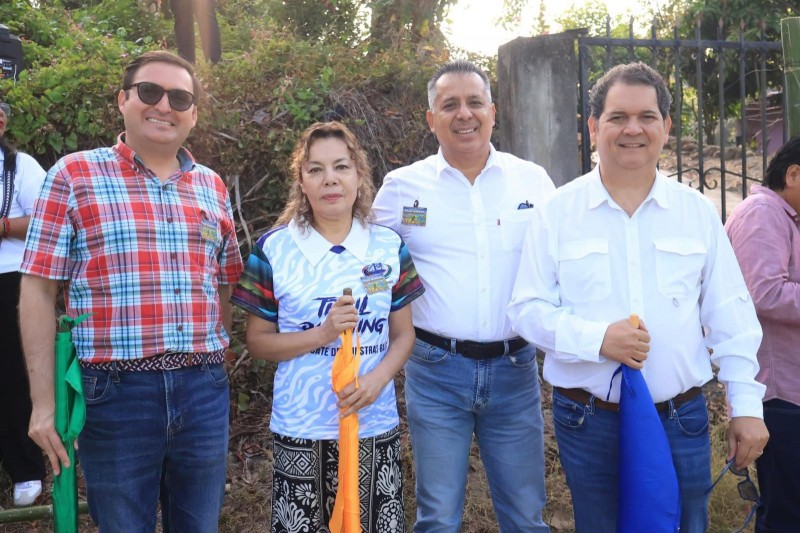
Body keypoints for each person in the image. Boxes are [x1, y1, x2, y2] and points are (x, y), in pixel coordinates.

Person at [507, 62, 769, 532]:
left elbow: (731, 314)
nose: (633, 129)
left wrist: (746, 404)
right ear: (594, 127)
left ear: (665, 127)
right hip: (589, 420)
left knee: (683, 524)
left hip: (679, 419)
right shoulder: (556, 212)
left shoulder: (696, 212)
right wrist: (596, 339)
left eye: (646, 116)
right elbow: (526, 310)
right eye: (618, 117)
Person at [19, 50, 242, 531]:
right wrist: (44, 403)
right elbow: (37, 288)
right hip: (115, 393)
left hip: (203, 391)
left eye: (179, 98)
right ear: (123, 100)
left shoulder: (211, 186)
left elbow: (224, 281)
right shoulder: (74, 175)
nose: (164, 105)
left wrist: (215, 362)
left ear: (193, 114)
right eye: (149, 91)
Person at [372, 60, 554, 533]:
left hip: (515, 371)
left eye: (474, 102)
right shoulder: (401, 188)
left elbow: (565, 265)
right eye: (449, 104)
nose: (464, 114)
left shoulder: (533, 182)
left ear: (493, 111)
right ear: (431, 118)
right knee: (437, 518)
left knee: (526, 518)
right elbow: (367, 262)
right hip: (435, 372)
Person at [231, 121, 423, 532]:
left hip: (373, 423)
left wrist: (376, 380)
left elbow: (404, 334)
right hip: (302, 427)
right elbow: (258, 342)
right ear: (301, 181)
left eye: (341, 167)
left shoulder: (389, 246)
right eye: (315, 169)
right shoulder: (273, 249)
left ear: (359, 176)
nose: (329, 179)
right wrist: (322, 334)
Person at [725, 136, 800, 532]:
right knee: (786, 514)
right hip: (779, 395)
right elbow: (765, 293)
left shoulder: (786, 217)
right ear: (793, 174)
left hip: (792, 390)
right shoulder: (762, 214)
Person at [0, 101, 46, 507]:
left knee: (13, 375)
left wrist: (2, 225)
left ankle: (26, 468)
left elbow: (48, 220)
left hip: (9, 279)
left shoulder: (21, 168)